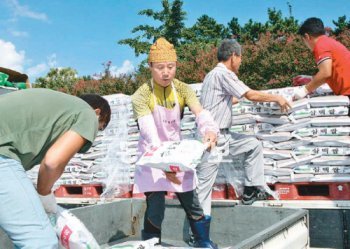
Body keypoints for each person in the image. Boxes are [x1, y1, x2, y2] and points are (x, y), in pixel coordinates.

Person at [131, 37, 219, 248]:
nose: (166, 72)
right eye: (160, 67)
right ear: (150, 66)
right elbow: (149, 133)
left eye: (170, 67)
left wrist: (209, 130)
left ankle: (203, 242)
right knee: (156, 208)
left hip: (177, 155)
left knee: (192, 203)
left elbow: (200, 112)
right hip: (153, 158)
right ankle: (152, 245)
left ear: (176, 66)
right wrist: (164, 165)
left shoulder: (182, 89)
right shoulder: (140, 96)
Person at [0, 88, 111, 248]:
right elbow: (52, 162)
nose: (94, 134)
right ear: (97, 113)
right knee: (40, 241)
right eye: (100, 128)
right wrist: (44, 195)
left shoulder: (56, 108)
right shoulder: (87, 114)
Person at [197, 39, 291, 212]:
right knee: (204, 188)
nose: (240, 62)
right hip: (213, 138)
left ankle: (250, 190)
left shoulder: (211, 75)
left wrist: (230, 102)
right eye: (240, 58)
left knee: (253, 145)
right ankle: (198, 233)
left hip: (223, 136)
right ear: (233, 56)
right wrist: (277, 98)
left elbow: (220, 100)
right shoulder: (223, 74)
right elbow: (250, 95)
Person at [293, 17, 350, 100]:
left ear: (307, 36)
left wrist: (304, 90)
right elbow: (331, 71)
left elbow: (325, 73)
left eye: (303, 40)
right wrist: (310, 79)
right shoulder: (328, 42)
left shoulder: (320, 45)